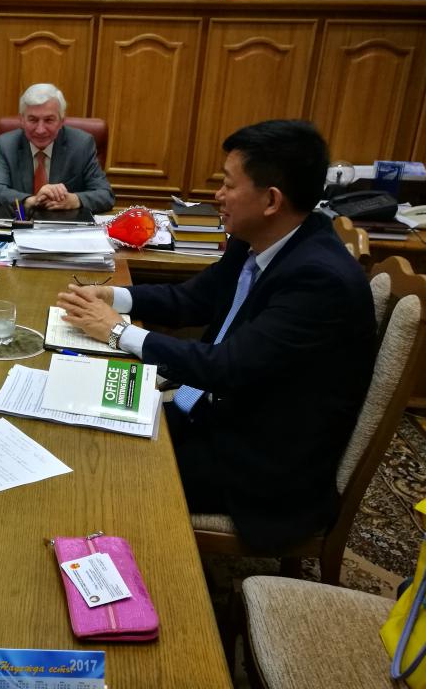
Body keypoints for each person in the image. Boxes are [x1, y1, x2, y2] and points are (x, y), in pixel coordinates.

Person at [56, 119, 376, 552]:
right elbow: (192, 299)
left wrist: (116, 331)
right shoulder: (259, 238)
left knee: (101, 466)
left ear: (271, 200)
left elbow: (227, 368)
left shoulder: (319, 280)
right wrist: (113, 295)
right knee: (82, 423)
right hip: (217, 417)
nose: (217, 196)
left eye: (227, 184)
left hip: (260, 465)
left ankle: (116, 564)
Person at [0, 83, 115, 213]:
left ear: (61, 121)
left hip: (65, 223)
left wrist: (74, 200)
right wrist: (32, 201)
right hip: (22, 221)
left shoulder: (81, 145)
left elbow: (105, 195)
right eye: (33, 120)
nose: (40, 130)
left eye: (49, 120)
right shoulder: (7, 145)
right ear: (22, 120)